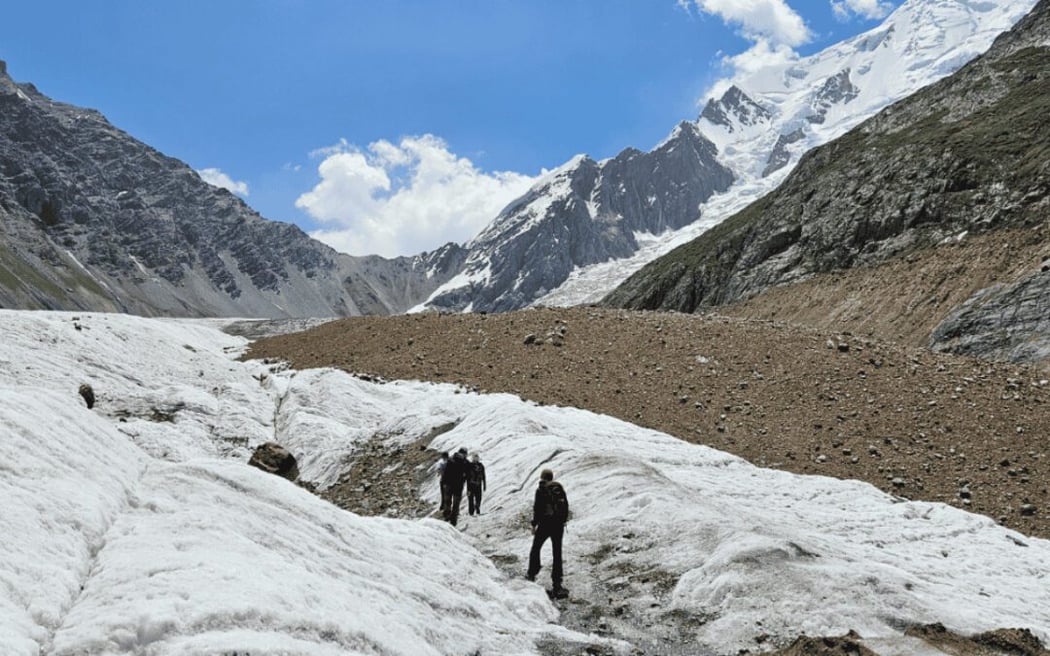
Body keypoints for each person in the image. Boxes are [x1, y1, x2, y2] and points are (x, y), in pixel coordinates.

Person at [526, 469, 569, 598]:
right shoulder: (559, 488)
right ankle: (557, 585)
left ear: (542, 477)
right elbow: (566, 506)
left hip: (545, 524)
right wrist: (562, 521)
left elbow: (537, 509)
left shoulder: (541, 490)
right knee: (557, 553)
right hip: (558, 525)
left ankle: (532, 573)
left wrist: (534, 524)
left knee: (536, 548)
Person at [443, 447, 470, 526]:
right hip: (457, 485)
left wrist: (444, 482)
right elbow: (468, 475)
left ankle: (449, 517)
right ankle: (451, 519)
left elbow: (446, 472)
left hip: (451, 484)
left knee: (450, 501)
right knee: (454, 502)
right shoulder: (465, 462)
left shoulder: (452, 459)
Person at [437, 452, 451, 519]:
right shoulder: (452, 462)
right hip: (451, 481)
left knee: (443, 494)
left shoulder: (442, 463)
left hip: (443, 481)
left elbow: (439, 471)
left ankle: (443, 507)